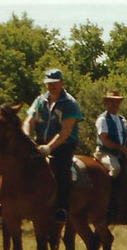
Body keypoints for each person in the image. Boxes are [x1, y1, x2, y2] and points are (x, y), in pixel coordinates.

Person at [23, 68, 83, 224]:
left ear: (61, 83)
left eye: (55, 83)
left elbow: (65, 131)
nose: (51, 86)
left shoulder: (69, 103)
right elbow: (28, 121)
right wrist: (27, 136)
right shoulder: (40, 101)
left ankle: (61, 208)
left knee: (62, 170)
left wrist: (49, 148)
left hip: (63, 145)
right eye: (49, 83)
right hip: (40, 143)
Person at [93, 90, 127, 219]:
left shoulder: (122, 119)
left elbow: (126, 137)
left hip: (119, 153)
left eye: (117, 101)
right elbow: (105, 140)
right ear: (107, 102)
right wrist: (122, 149)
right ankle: (108, 201)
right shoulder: (102, 120)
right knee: (115, 169)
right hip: (105, 153)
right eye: (112, 101)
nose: (114, 104)